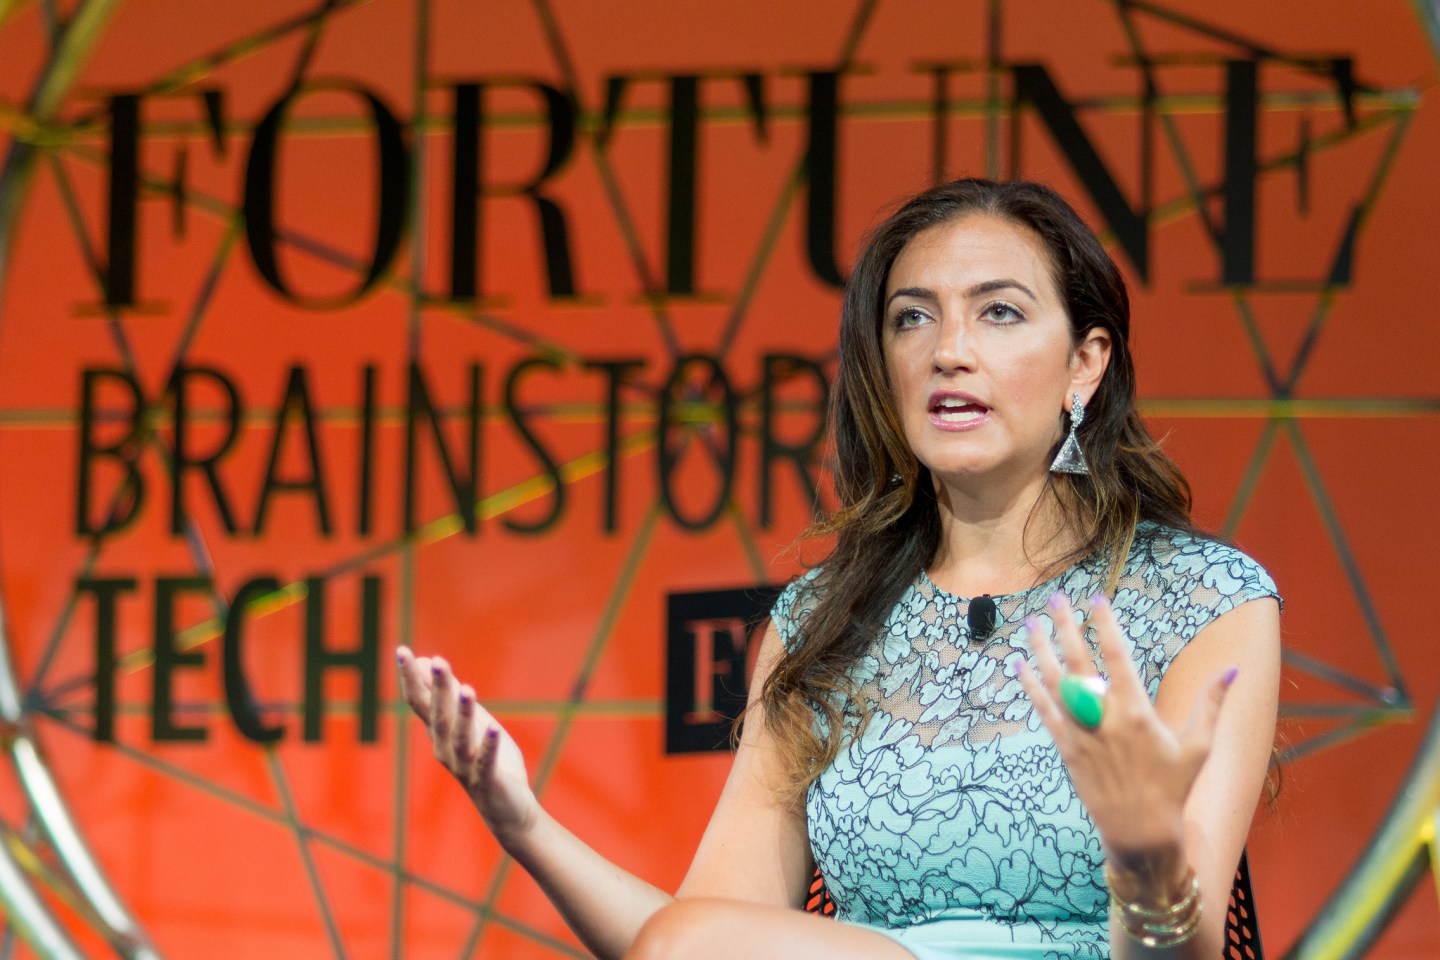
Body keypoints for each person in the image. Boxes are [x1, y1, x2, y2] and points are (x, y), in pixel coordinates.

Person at [396, 177, 1281, 960]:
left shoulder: (1207, 601)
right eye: (913, 317)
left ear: (1084, 363)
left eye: (1000, 312)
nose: (948, 350)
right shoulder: (824, 623)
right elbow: (696, 940)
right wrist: (526, 825)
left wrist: (1145, 856)